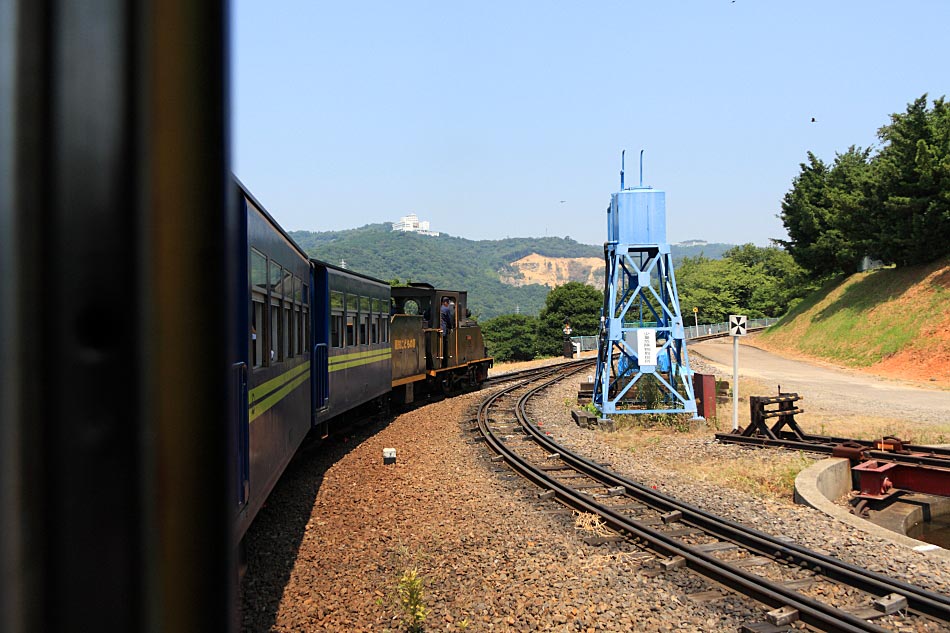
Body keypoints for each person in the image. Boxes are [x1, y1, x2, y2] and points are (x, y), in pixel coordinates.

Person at [440, 297, 453, 367]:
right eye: (448, 303)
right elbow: (449, 320)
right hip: (443, 330)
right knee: (444, 346)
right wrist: (451, 327)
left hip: (437, 329)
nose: (448, 304)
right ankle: (444, 363)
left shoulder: (437, 308)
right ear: (445, 302)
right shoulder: (446, 309)